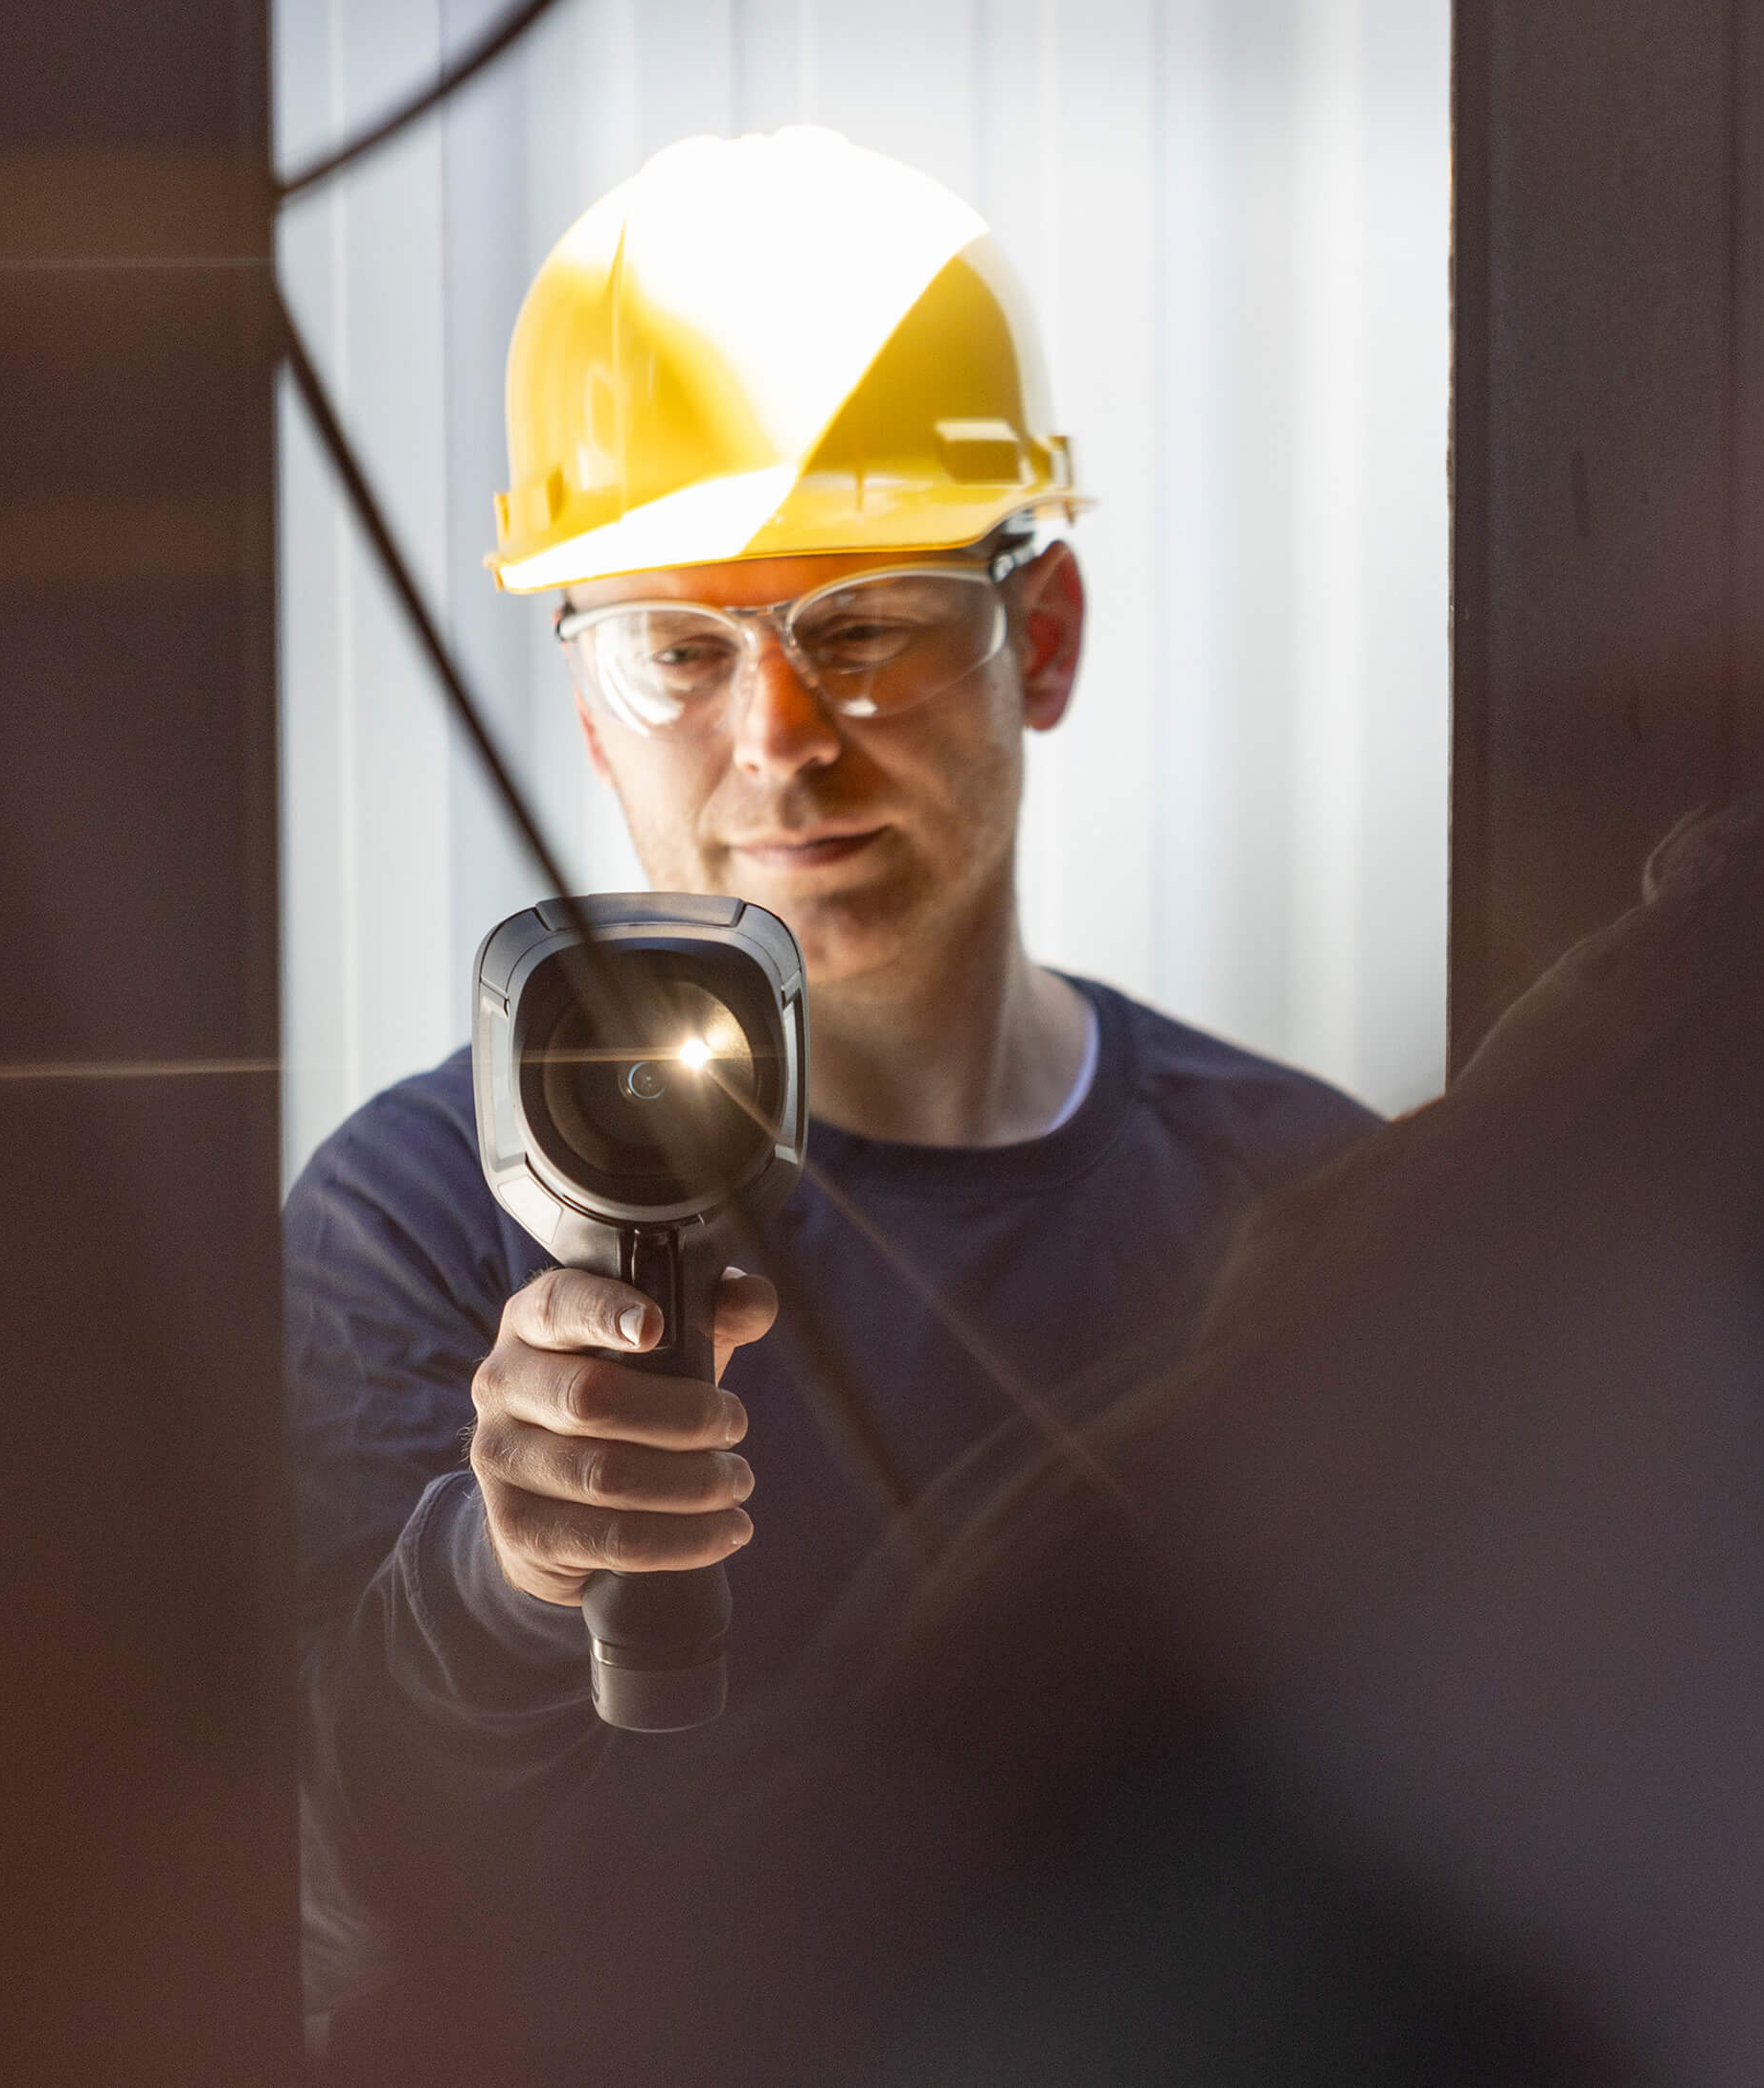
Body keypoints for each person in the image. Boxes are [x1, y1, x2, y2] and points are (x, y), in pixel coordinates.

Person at [285, 127, 1374, 2052]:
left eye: (863, 626)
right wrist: (513, 1564)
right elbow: (373, 1886)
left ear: (1040, 638)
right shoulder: (426, 1212)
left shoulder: (1300, 1203)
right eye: (679, 648)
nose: (779, 738)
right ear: (588, 706)